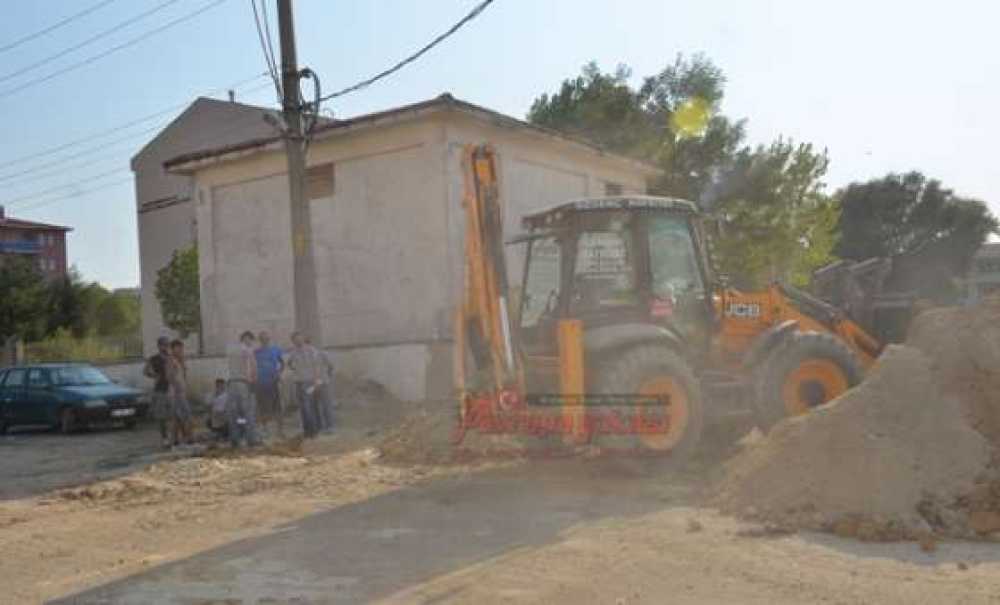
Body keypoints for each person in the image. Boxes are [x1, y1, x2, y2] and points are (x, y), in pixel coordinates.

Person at [286, 332, 332, 438]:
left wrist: (317, 381)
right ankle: (310, 429)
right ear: (293, 341)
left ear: (303, 339)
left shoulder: (312, 351)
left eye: (299, 339)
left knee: (310, 406)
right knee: (306, 406)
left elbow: (318, 366)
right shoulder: (293, 353)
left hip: (310, 382)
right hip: (300, 382)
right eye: (295, 340)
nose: (298, 341)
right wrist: (297, 372)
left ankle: (314, 430)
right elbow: (290, 364)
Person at [227, 330, 261, 448]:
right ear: (247, 339)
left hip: (232, 384)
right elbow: (253, 368)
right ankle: (251, 438)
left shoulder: (232, 350)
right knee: (248, 413)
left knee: (237, 414)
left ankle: (236, 439)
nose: (251, 342)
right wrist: (254, 382)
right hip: (244, 384)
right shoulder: (248, 350)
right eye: (251, 340)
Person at [143, 336, 173, 449]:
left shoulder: (171, 357)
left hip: (172, 390)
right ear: (159, 346)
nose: (166, 347)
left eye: (167, 345)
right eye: (164, 345)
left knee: (173, 415)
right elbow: (145, 371)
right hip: (160, 390)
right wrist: (154, 375)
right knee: (161, 417)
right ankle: (165, 438)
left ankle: (174, 437)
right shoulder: (153, 359)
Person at [254, 330, 285, 438]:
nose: (264, 340)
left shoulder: (276, 350)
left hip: (273, 382)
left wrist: (279, 373)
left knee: (277, 407)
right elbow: (252, 367)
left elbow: (282, 363)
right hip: (260, 383)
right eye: (262, 338)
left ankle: (280, 431)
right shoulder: (256, 352)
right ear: (260, 340)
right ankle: (265, 430)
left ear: (269, 339)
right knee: (263, 408)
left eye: (266, 338)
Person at [166, 339, 194, 446]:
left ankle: (174, 440)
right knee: (186, 415)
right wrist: (178, 388)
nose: (181, 350)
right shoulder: (171, 360)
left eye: (181, 348)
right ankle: (189, 438)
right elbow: (169, 376)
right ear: (173, 349)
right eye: (178, 348)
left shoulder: (180, 360)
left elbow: (183, 376)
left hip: (181, 392)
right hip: (176, 393)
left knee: (177, 418)